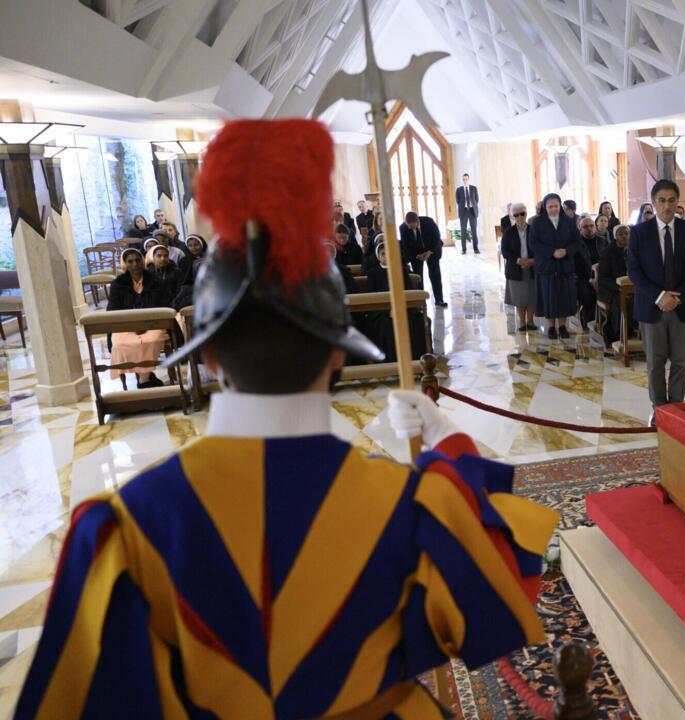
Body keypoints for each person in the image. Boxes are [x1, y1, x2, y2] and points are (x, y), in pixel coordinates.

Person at [16, 118, 557, 720]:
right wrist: (445, 439)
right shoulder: (409, 506)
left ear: (211, 354)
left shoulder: (127, 532)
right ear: (336, 351)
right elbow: (506, 592)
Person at [628, 180, 685, 417]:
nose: (667, 206)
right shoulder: (639, 233)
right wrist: (660, 296)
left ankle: (677, 409)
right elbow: (634, 271)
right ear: (653, 202)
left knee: (680, 362)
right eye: (661, 200)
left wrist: (676, 296)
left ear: (677, 202)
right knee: (655, 364)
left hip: (681, 305)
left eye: (671, 200)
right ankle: (660, 410)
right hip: (652, 307)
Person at [106, 247, 171, 389]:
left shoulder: (156, 281)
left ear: (143, 261)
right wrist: (132, 326)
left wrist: (146, 325)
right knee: (120, 344)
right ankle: (147, 378)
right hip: (125, 326)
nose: (134, 264)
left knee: (149, 340)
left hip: (153, 324)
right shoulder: (118, 284)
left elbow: (164, 306)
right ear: (125, 264)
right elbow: (112, 310)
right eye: (130, 261)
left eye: (137, 260)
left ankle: (143, 381)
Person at [529, 192, 582, 339]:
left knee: (564, 297)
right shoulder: (538, 223)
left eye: (556, 206)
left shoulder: (569, 222)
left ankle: (563, 326)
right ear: (545, 207)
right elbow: (533, 243)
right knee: (549, 297)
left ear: (560, 206)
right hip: (547, 266)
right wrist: (551, 252)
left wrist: (566, 251)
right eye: (550, 206)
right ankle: (551, 327)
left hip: (565, 266)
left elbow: (577, 242)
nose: (553, 209)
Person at [367, 240, 430, 361]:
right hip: (382, 312)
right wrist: (388, 311)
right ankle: (391, 362)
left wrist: (400, 309)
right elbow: (371, 296)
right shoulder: (372, 273)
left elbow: (409, 292)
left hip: (404, 308)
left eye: (388, 253)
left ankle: (418, 360)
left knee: (417, 322)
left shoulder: (400, 270)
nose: (386, 256)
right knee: (386, 326)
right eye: (383, 254)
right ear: (378, 256)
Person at [501, 202, 537, 332]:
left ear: (526, 214)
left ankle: (531, 321)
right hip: (515, 268)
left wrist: (532, 260)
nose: (520, 217)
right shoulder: (509, 232)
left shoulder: (534, 230)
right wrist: (518, 260)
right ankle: (522, 322)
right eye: (516, 215)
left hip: (532, 266)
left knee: (532, 295)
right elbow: (505, 251)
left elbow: (540, 248)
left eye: (523, 214)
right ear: (512, 217)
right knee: (519, 297)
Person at [597, 224, 635, 347]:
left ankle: (636, 333)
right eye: (620, 234)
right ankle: (617, 334)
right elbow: (603, 278)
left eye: (626, 233)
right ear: (615, 237)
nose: (624, 236)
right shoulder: (608, 253)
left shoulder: (634, 250)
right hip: (611, 289)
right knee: (622, 301)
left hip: (631, 287)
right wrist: (619, 288)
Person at [400, 211, 446, 307]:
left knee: (435, 275)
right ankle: (420, 302)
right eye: (409, 226)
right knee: (418, 277)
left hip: (431, 250)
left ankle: (439, 300)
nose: (410, 228)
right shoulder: (403, 228)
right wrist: (416, 255)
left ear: (417, 222)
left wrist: (429, 252)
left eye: (412, 226)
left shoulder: (429, 222)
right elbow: (405, 245)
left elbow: (437, 238)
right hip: (416, 254)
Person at [575, 215, 599, 327]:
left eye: (592, 226)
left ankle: (608, 324)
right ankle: (590, 323)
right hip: (582, 278)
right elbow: (575, 266)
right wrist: (590, 279)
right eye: (585, 227)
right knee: (587, 294)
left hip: (601, 277)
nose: (589, 228)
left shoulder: (602, 241)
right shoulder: (575, 245)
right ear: (579, 229)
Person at [455, 172, 480, 254]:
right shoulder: (459, 190)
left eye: (466, 179)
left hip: (472, 211)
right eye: (463, 179)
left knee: (474, 231)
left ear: (468, 179)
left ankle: (476, 248)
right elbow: (458, 201)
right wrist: (464, 206)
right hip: (463, 211)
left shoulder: (474, 188)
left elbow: (476, 200)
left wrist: (472, 206)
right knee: (463, 231)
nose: (465, 181)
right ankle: (464, 249)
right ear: (462, 180)